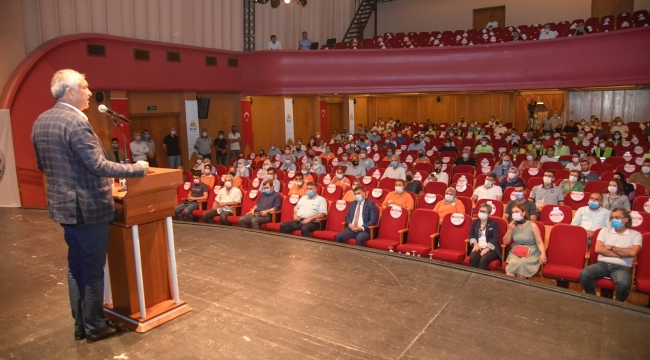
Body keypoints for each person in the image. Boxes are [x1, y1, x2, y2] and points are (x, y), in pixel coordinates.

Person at [31, 69, 149, 342]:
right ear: (70, 92)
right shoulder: (74, 122)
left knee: (76, 267)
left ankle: (81, 324)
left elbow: (43, 165)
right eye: (84, 87)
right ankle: (95, 327)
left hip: (64, 207)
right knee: (93, 268)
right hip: (88, 207)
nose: (89, 91)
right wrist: (136, 169)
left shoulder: (42, 120)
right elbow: (97, 165)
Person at [580, 208, 642, 302]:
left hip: (622, 268)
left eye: (617, 217)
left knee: (624, 283)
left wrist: (612, 247)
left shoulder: (636, 235)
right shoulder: (605, 231)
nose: (613, 220)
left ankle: (617, 305)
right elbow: (598, 249)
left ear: (625, 220)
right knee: (584, 273)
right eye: (612, 218)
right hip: (602, 265)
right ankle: (593, 300)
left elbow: (633, 253)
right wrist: (623, 254)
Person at [504, 204, 547, 278]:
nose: (514, 214)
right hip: (516, 251)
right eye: (513, 212)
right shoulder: (512, 225)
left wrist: (543, 254)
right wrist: (509, 230)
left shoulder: (533, 225)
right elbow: (505, 242)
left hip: (531, 251)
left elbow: (539, 242)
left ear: (523, 213)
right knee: (511, 268)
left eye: (517, 211)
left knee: (522, 264)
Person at [468, 203, 502, 269]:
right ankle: (472, 277)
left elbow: (495, 237)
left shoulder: (494, 224)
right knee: (473, 258)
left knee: (483, 260)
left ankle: (481, 278)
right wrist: (475, 244)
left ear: (489, 214)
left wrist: (487, 248)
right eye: (480, 211)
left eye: (484, 212)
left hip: (491, 248)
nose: (481, 213)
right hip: (478, 246)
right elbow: (470, 234)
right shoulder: (475, 222)